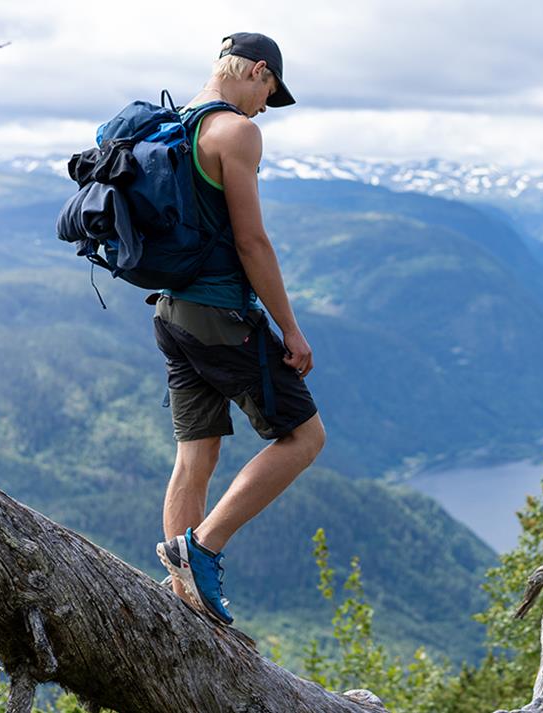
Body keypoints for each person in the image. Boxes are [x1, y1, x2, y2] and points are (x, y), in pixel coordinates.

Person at [154, 32, 325, 626]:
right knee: (305, 438)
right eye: (269, 92)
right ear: (258, 71)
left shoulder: (169, 127)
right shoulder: (236, 132)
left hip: (170, 313)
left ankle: (182, 597)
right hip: (221, 316)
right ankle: (201, 549)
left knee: (196, 452)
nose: (263, 108)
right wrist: (292, 331)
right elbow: (252, 241)